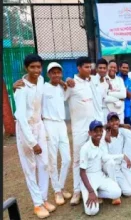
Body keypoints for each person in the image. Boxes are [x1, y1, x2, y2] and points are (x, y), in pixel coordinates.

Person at [14, 54, 55, 218]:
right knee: (30, 167)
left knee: (44, 164)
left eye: (39, 67)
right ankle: (37, 205)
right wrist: (32, 142)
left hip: (39, 126)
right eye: (33, 67)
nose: (36, 70)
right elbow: (22, 117)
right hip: (26, 130)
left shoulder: (40, 81)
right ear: (26, 68)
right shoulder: (21, 88)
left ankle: (44, 199)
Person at [65, 56, 104, 205]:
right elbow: (61, 94)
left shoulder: (91, 82)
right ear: (78, 68)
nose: (89, 69)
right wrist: (66, 82)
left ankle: (93, 187)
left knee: (95, 157)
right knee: (77, 161)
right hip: (79, 130)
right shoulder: (71, 84)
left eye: (90, 67)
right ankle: (76, 191)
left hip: (93, 127)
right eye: (86, 67)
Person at [42, 62, 71, 206]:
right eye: (53, 72)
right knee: (52, 159)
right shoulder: (43, 88)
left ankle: (60, 186)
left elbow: (67, 92)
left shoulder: (61, 87)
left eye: (58, 72)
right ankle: (57, 191)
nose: (56, 75)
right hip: (49, 124)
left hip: (61, 124)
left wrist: (64, 83)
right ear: (48, 74)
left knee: (67, 159)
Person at [79, 120, 122, 216]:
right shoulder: (85, 148)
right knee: (92, 211)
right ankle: (90, 192)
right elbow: (82, 172)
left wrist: (122, 156)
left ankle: (97, 193)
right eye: (95, 131)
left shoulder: (102, 144)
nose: (99, 133)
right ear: (90, 133)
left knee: (117, 192)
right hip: (88, 177)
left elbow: (106, 157)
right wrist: (90, 191)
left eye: (100, 131)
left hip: (99, 175)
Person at [101, 112, 131, 198]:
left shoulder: (122, 134)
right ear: (108, 123)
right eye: (111, 121)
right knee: (111, 163)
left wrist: (120, 125)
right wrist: (122, 156)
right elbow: (105, 157)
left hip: (118, 169)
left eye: (116, 120)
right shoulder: (105, 137)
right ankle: (109, 187)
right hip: (108, 168)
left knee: (128, 192)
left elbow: (130, 127)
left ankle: (116, 187)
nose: (114, 122)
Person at [117, 61, 131, 125]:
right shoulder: (115, 79)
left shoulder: (130, 81)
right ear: (119, 68)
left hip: (127, 111)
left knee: (128, 129)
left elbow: (130, 96)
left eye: (127, 68)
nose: (125, 69)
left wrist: (123, 87)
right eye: (123, 67)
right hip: (117, 109)